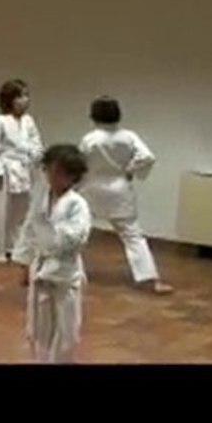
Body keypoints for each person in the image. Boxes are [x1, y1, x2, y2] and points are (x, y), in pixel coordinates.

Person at [79, 96, 173, 294]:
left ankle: (75, 275)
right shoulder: (128, 137)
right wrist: (129, 170)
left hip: (92, 188)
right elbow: (147, 157)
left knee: (79, 232)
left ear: (93, 115)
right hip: (119, 188)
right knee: (133, 235)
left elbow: (79, 165)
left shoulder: (89, 139)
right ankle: (149, 279)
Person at [14, 144, 92, 363]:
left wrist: (50, 237)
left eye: (59, 172)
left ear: (73, 176)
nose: (52, 176)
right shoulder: (41, 199)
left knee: (66, 330)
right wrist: (23, 263)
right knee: (39, 327)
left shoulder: (77, 204)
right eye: (49, 170)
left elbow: (77, 236)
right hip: (39, 269)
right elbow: (28, 230)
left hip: (65, 272)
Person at [0, 79, 43, 263]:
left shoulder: (28, 121)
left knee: (22, 211)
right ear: (10, 100)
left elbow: (36, 143)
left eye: (27, 95)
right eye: (20, 96)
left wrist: (35, 157)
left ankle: (16, 246)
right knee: (2, 211)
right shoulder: (0, 122)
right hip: (6, 170)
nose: (25, 100)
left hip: (25, 168)